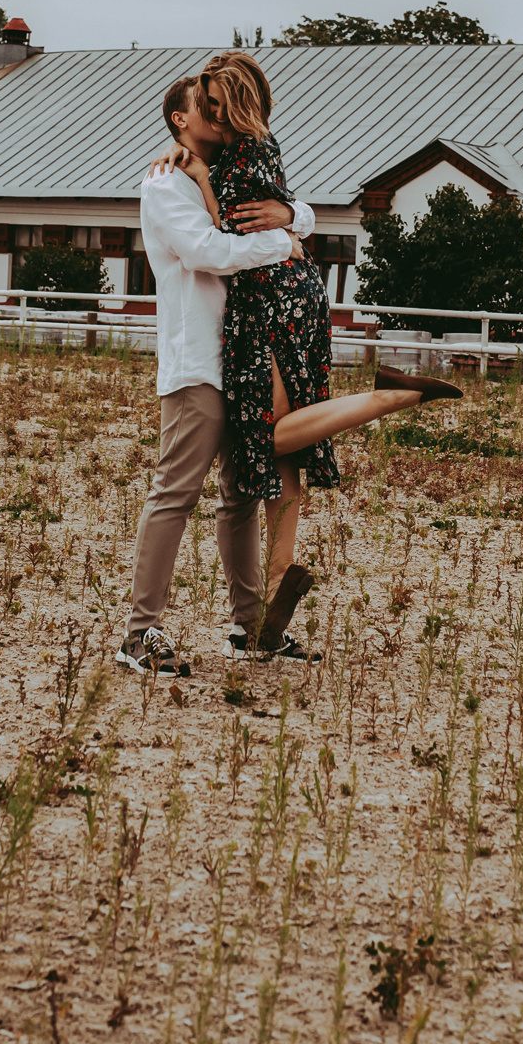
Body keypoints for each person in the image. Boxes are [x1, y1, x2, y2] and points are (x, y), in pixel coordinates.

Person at [162, 52, 461, 634]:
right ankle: (276, 593)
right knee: (285, 450)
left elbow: (229, 231)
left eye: (217, 106)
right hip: (293, 291)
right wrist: (294, 218)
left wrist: (204, 180)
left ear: (236, 103)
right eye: (206, 109)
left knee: (273, 436)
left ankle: (387, 398)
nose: (212, 117)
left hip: (268, 296)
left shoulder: (239, 156)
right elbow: (290, 215)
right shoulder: (259, 145)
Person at [116, 75, 316, 678]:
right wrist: (284, 241)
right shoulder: (163, 183)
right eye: (206, 109)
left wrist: (290, 217)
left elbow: (296, 210)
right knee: (175, 494)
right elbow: (211, 251)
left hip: (246, 360)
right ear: (180, 120)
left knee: (241, 498)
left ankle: (249, 627)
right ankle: (140, 632)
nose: (219, 116)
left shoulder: (228, 175)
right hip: (198, 361)